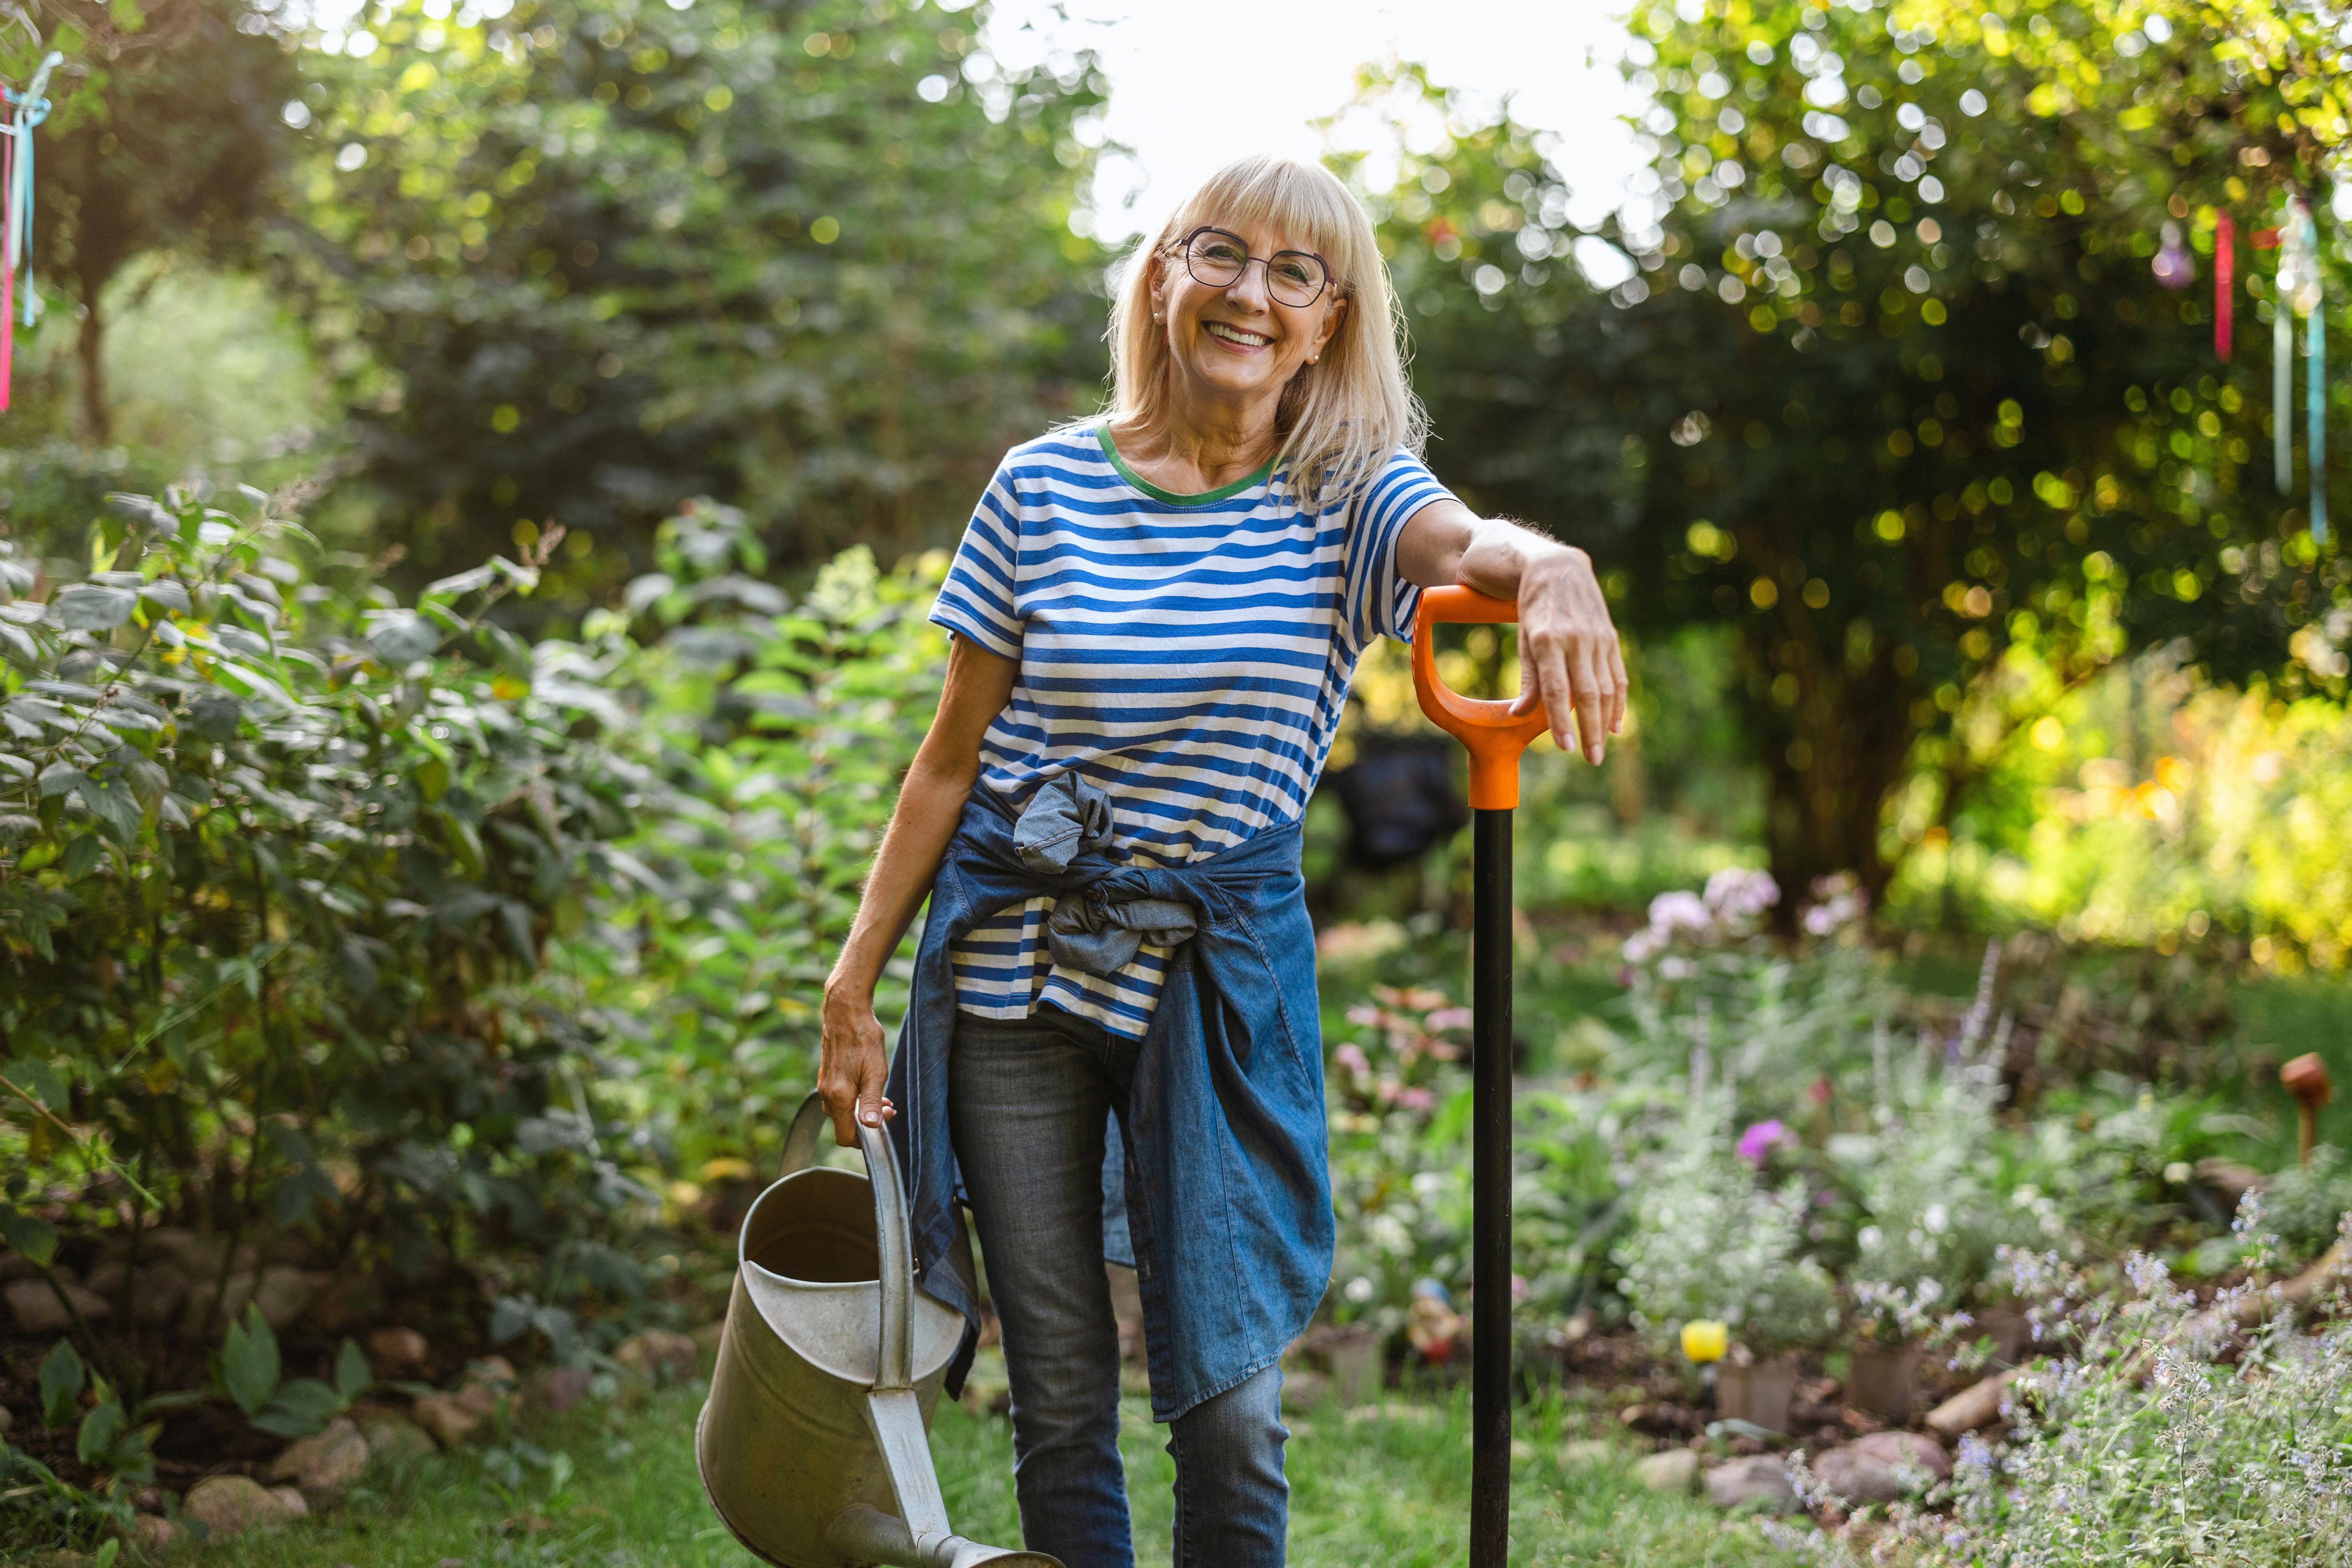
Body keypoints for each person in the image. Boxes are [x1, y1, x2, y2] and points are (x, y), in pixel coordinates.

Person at [816, 154, 1626, 1568]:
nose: (1253, 293)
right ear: (1164, 278)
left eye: (1296, 274)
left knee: (1234, 1406)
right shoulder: (1042, 485)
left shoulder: (1350, 490)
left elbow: (1469, 546)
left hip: (1214, 986)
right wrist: (852, 983)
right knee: (1060, 1395)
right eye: (1222, 255)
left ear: (1330, 323)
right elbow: (948, 758)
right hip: (1009, 972)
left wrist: (1552, 568)